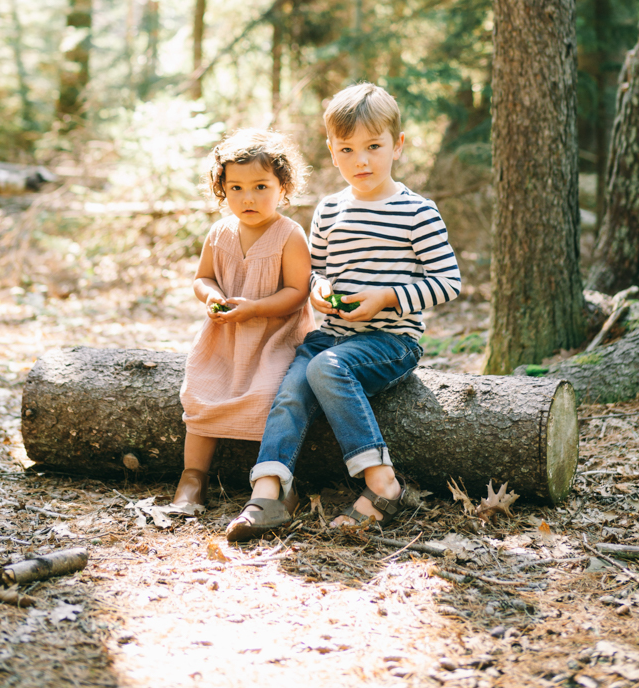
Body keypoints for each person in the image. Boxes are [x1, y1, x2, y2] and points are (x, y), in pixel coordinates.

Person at [225, 83, 461, 539]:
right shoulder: (330, 210)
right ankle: (268, 494)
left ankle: (382, 483)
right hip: (330, 334)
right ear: (332, 152)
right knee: (292, 386)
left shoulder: (418, 213)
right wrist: (319, 290)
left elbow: (446, 282)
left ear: (398, 145)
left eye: (374, 147)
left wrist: (386, 297)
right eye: (347, 149)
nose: (362, 161)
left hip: (390, 342)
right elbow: (320, 274)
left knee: (328, 369)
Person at [169, 129, 315, 516]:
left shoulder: (289, 235)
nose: (247, 198)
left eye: (260, 186)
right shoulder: (219, 233)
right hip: (226, 336)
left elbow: (298, 292)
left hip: (275, 336)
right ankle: (192, 478)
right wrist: (211, 296)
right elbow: (202, 277)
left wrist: (255, 307)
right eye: (235, 188)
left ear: (283, 187)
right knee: (200, 391)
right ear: (222, 190)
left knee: (271, 394)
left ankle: (277, 483)